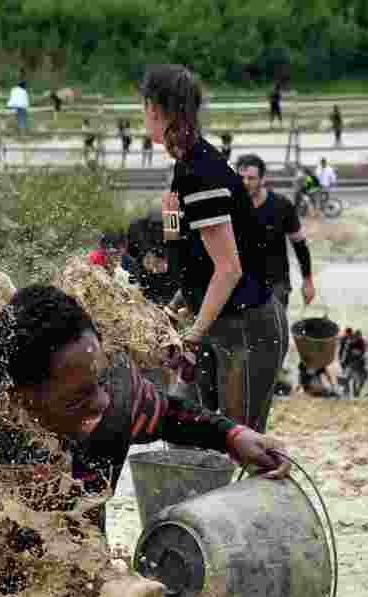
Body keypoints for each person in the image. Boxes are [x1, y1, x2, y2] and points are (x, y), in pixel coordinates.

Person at [0, 285, 291, 597]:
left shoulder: (114, 396)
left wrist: (232, 436)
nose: (101, 402)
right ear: (20, 400)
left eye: (101, 381)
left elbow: (167, 413)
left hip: (77, 577)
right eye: (77, 399)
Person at [142, 64, 289, 433]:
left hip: (244, 330)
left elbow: (228, 269)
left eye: (145, 108)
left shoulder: (199, 174)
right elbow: (192, 260)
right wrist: (177, 305)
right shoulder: (188, 167)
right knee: (196, 437)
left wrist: (191, 336)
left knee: (242, 442)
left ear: (157, 110)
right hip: (220, 326)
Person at [237, 154, 316, 309]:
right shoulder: (231, 207)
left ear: (262, 179)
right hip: (241, 285)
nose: (245, 183)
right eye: (241, 177)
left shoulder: (282, 206)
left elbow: (300, 245)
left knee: (276, 332)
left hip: (275, 285)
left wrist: (307, 281)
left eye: (251, 178)